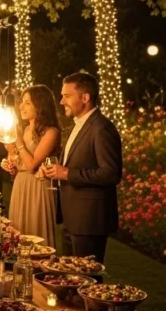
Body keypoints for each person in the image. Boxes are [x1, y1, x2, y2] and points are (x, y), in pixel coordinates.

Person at [40, 72, 123, 262]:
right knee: (70, 277)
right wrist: (55, 171)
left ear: (85, 98)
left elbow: (111, 173)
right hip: (72, 217)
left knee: (86, 280)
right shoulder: (78, 125)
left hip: (89, 220)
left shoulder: (101, 128)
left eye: (67, 96)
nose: (61, 102)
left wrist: (68, 173)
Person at [5, 85, 61, 247]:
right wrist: (12, 164)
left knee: (36, 231)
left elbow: (32, 165)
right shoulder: (24, 129)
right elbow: (21, 162)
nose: (21, 106)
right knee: (18, 231)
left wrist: (18, 141)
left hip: (37, 187)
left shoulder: (50, 132)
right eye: (22, 102)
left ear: (41, 105)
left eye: (27, 103)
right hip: (20, 185)